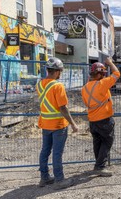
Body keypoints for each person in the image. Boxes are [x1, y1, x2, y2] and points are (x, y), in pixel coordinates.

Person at [36, 57, 79, 190]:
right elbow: (63, 108)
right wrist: (73, 123)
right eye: (60, 71)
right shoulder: (58, 86)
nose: (60, 74)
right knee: (57, 153)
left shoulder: (39, 84)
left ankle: (44, 178)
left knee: (45, 151)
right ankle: (59, 180)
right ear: (56, 71)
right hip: (58, 125)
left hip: (45, 124)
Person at [81, 57, 120, 177]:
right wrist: (110, 63)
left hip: (92, 120)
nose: (104, 76)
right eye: (102, 73)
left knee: (97, 142)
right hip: (104, 119)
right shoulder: (102, 84)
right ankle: (99, 166)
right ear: (98, 74)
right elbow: (117, 74)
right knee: (108, 141)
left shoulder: (84, 88)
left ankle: (98, 164)